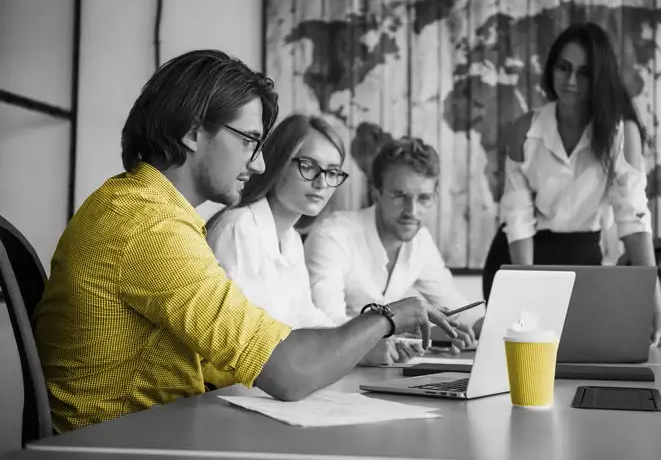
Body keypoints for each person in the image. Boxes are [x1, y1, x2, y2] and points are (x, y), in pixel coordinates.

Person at [32, 50, 459, 433]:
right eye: (250, 142)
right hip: (118, 443)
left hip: (155, 430)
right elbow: (288, 372)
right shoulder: (147, 226)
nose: (257, 164)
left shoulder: (144, 210)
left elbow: (254, 351)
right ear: (194, 133)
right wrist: (386, 317)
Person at [487, 22, 661, 348]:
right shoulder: (525, 130)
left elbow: (633, 219)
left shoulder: (621, 133)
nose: (571, 80)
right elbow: (518, 221)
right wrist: (526, 296)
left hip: (583, 255)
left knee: (579, 355)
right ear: (552, 69)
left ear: (599, 78)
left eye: (584, 73)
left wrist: (655, 306)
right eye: (563, 68)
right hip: (522, 254)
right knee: (524, 356)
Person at [205, 114, 423, 366]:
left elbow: (308, 320)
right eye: (308, 166)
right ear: (278, 162)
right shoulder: (239, 228)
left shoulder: (291, 239)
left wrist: (367, 343)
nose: (321, 183)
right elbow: (255, 344)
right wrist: (359, 350)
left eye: (332, 172)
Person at [304, 136, 482, 346]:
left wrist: (507, 324)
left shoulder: (420, 241)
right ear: (376, 194)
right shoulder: (332, 237)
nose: (412, 212)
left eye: (423, 198)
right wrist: (413, 334)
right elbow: (327, 329)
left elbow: (459, 313)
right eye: (399, 196)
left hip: (378, 369)